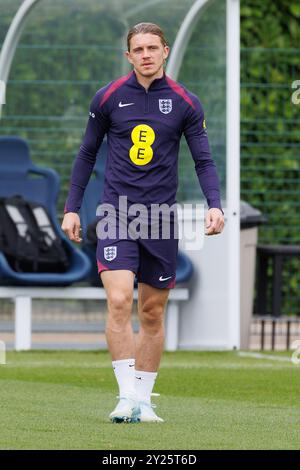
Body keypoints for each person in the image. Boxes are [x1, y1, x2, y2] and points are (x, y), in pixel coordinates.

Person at [62, 22, 224, 423]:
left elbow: (202, 159)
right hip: (117, 213)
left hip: (160, 218)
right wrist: (71, 207)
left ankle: (145, 401)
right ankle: (125, 397)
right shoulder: (109, 98)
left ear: (165, 51)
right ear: (128, 55)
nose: (147, 54)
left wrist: (214, 204)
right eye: (139, 49)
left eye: (153, 47)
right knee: (119, 300)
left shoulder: (186, 102)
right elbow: (86, 154)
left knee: (151, 312)